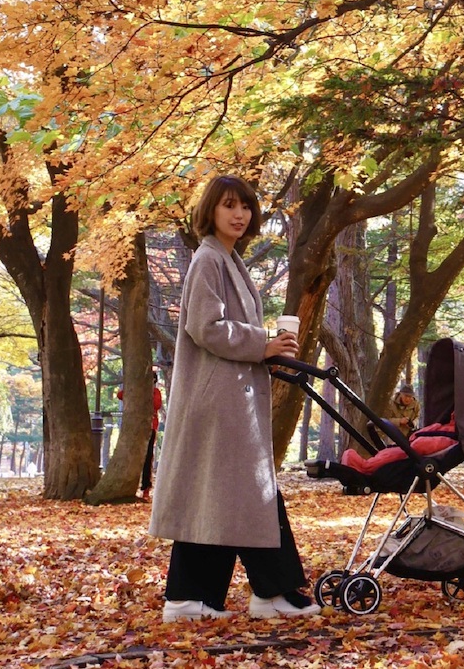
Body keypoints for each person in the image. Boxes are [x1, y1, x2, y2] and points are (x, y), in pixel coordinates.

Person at [148, 175, 321, 622]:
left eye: (245, 206)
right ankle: (272, 591)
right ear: (212, 211)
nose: (239, 214)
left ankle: (190, 598)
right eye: (229, 206)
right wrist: (262, 343)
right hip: (219, 402)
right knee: (251, 495)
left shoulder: (226, 259)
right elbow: (206, 328)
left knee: (220, 496)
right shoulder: (209, 259)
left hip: (229, 398)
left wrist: (269, 348)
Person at [116, 372, 165, 500]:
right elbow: (120, 395)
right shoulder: (137, 390)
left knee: (148, 457)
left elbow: (157, 404)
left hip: (149, 428)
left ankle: (145, 487)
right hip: (134, 428)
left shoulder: (156, 392)